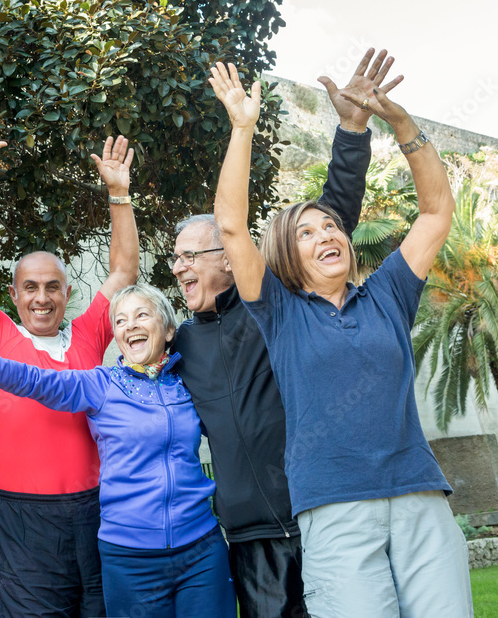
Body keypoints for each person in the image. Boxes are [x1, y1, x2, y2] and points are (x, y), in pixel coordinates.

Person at [210, 59, 472, 617]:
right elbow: (231, 227)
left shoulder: (388, 294)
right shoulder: (278, 312)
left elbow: (436, 210)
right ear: (287, 254)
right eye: (306, 231)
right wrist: (241, 129)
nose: (326, 232)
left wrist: (403, 127)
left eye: (331, 225)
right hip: (334, 510)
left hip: (419, 498)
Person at [171, 49, 402, 617]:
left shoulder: (275, 306)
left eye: (189, 257)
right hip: (249, 538)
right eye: (173, 259)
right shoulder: (178, 343)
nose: (177, 268)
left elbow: (331, 219)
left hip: (320, 510)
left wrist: (352, 130)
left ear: (229, 259)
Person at [0, 111, 139, 616]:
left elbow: (123, 269)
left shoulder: (91, 331)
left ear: (67, 292)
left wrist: (118, 193)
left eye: (52, 286)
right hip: (22, 520)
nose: (41, 297)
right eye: (30, 287)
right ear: (12, 294)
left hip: (97, 512)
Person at [0, 284, 236, 618]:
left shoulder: (187, 384)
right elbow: (35, 380)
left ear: (169, 329)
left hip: (200, 548)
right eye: (121, 320)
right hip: (131, 557)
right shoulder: (101, 384)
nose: (131, 325)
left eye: (142, 315)